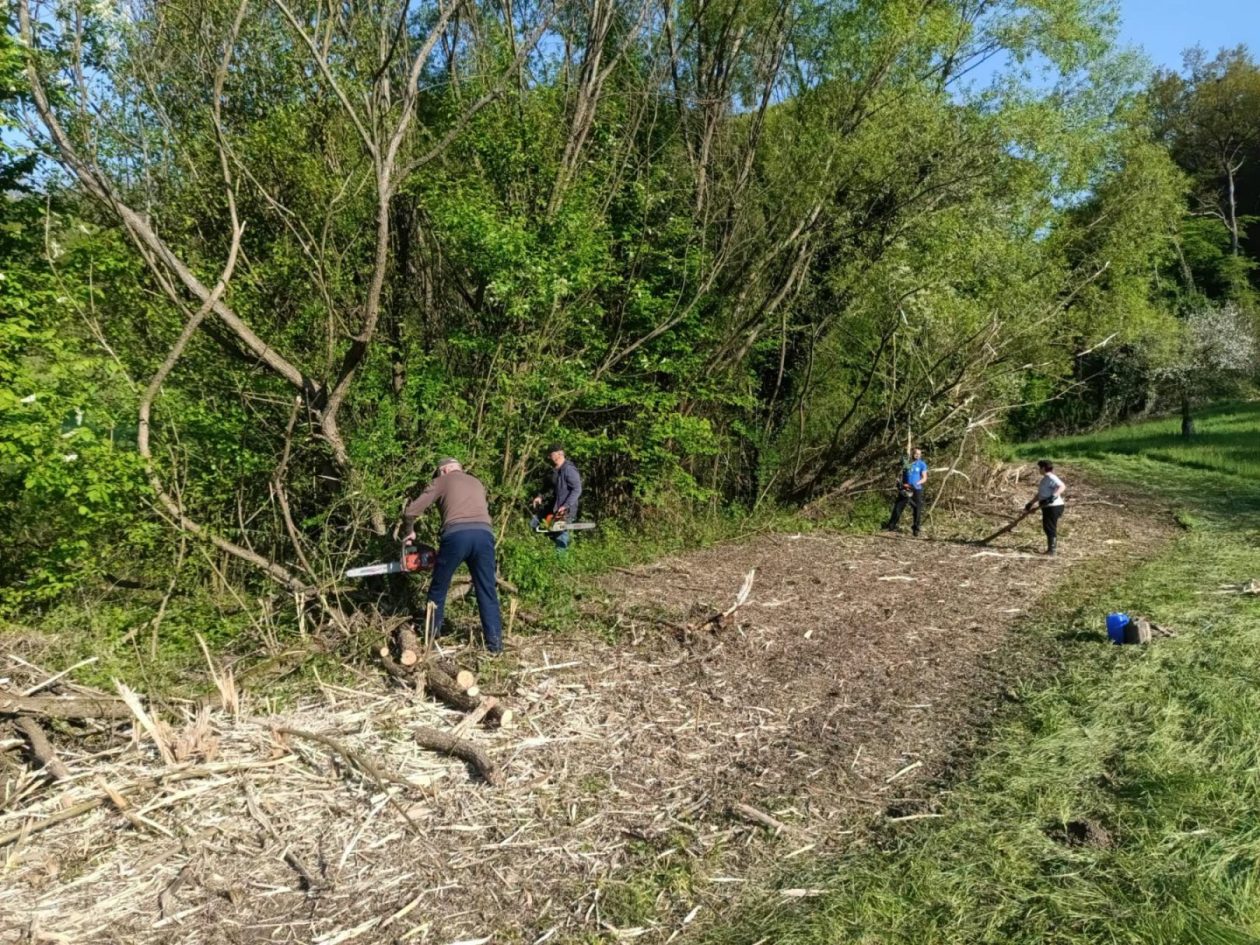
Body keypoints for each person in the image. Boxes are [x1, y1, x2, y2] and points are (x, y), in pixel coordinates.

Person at [400, 458, 503, 654]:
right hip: (485, 535)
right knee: (487, 589)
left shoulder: (442, 481)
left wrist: (409, 532)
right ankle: (495, 645)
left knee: (439, 587)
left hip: (456, 536)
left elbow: (411, 511)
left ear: (444, 470)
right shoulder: (476, 482)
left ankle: (431, 640)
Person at [531, 443, 583, 552]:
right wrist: (539, 497)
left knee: (560, 535)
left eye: (551, 455)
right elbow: (547, 486)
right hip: (554, 507)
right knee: (534, 523)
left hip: (566, 510)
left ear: (559, 454)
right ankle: (544, 551)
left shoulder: (569, 470)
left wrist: (566, 506)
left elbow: (577, 489)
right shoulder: (554, 471)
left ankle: (561, 565)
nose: (549, 457)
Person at [883, 447, 928, 537]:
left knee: (917, 509)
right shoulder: (906, 463)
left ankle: (916, 528)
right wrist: (899, 482)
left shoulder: (922, 464)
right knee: (898, 506)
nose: (917, 455)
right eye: (916, 453)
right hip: (905, 488)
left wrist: (915, 484)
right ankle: (891, 526)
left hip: (916, 489)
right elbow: (899, 473)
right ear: (912, 453)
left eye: (919, 454)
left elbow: (924, 478)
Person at [1025, 459, 1066, 556]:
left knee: (1049, 527)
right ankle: (1051, 549)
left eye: (1039, 468)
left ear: (1043, 468)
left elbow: (1062, 486)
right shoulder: (1045, 479)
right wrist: (1030, 503)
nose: (1039, 470)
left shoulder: (1051, 477)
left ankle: (1052, 550)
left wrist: (1053, 496)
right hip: (1048, 506)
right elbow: (1041, 494)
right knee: (1047, 526)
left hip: (1054, 506)